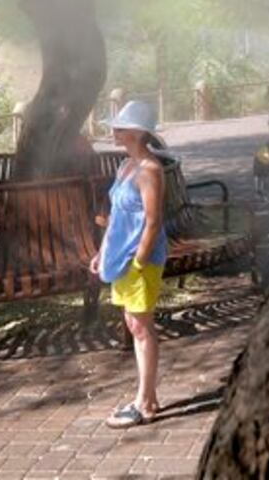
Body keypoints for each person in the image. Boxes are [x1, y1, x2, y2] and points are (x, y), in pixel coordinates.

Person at [90, 100, 167, 429]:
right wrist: (103, 251)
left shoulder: (150, 171)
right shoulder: (126, 166)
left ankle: (145, 403)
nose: (114, 131)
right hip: (120, 258)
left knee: (140, 327)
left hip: (140, 260)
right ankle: (148, 396)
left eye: (120, 127)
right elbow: (117, 217)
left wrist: (138, 261)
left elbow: (152, 222)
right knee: (135, 325)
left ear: (136, 133)